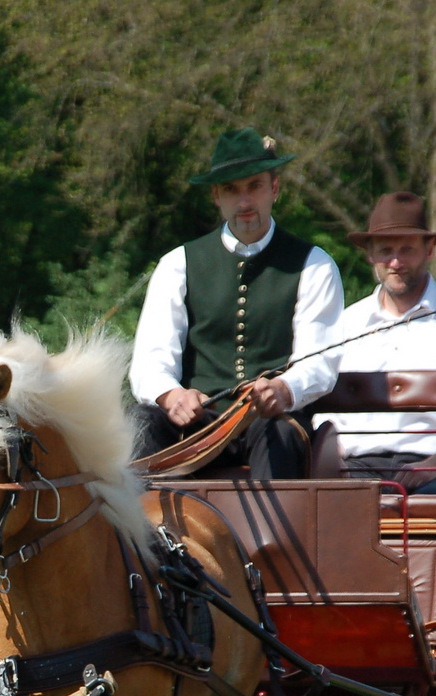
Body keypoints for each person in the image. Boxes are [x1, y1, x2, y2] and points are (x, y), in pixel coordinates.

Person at [129, 127, 343, 479]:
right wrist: (171, 396)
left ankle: (271, 537)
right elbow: (150, 361)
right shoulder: (177, 264)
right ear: (216, 195)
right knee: (139, 423)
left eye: (254, 186)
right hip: (198, 425)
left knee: (280, 433)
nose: (244, 202)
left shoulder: (314, 264)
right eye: (231, 189)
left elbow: (319, 362)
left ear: (274, 189)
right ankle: (143, 534)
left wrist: (283, 389)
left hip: (272, 422)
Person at [315, 191, 436, 495]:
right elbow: (325, 421)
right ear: (370, 254)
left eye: (407, 250)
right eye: (386, 250)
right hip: (358, 468)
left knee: (435, 502)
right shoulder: (346, 324)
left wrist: (430, 468)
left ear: (429, 250)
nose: (396, 261)